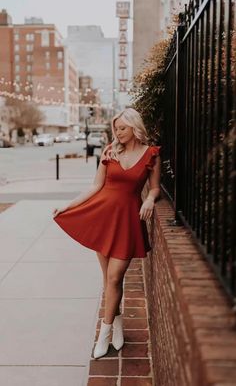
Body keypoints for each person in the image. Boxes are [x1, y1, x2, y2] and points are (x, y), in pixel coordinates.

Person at [53, 107, 161, 359]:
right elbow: (95, 186)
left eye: (122, 128)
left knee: (114, 278)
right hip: (103, 218)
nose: (118, 133)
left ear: (135, 128)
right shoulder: (110, 152)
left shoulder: (151, 155)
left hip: (126, 222)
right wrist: (68, 205)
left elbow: (155, 188)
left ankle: (105, 332)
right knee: (109, 281)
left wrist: (149, 200)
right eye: (116, 128)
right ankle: (118, 323)